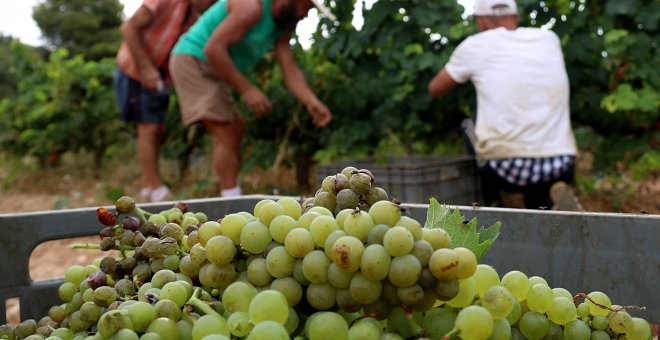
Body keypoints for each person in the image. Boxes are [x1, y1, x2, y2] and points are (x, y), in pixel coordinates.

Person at [169, 0, 333, 197]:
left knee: (235, 127)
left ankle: (230, 192)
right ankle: (230, 201)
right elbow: (213, 49)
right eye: (306, 7)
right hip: (193, 60)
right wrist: (247, 90)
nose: (306, 15)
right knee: (226, 128)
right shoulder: (250, 7)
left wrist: (311, 101)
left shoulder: (279, 26)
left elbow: (288, 66)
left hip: (214, 67)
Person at [428, 0, 581, 210]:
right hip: (560, 163)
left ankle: (493, 201)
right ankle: (551, 194)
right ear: (516, 16)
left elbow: (435, 89)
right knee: (537, 141)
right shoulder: (548, 38)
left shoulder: (475, 45)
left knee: (469, 125)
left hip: (505, 169)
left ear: (481, 22)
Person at [114, 0, 216, 202]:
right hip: (136, 69)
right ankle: (157, 188)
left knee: (158, 130)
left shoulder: (195, 17)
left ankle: (147, 187)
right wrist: (145, 69)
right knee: (148, 128)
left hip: (160, 76)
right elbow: (128, 28)